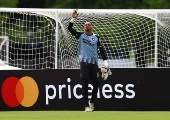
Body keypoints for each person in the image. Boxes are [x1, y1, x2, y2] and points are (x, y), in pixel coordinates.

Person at [68, 9, 110, 112]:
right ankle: (86, 106)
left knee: (96, 84)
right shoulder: (80, 35)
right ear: (84, 27)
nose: (86, 26)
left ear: (91, 27)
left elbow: (102, 51)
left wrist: (106, 64)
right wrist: (73, 18)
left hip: (94, 63)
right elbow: (69, 28)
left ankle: (92, 101)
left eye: (88, 25)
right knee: (85, 83)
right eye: (85, 25)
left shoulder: (96, 38)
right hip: (84, 62)